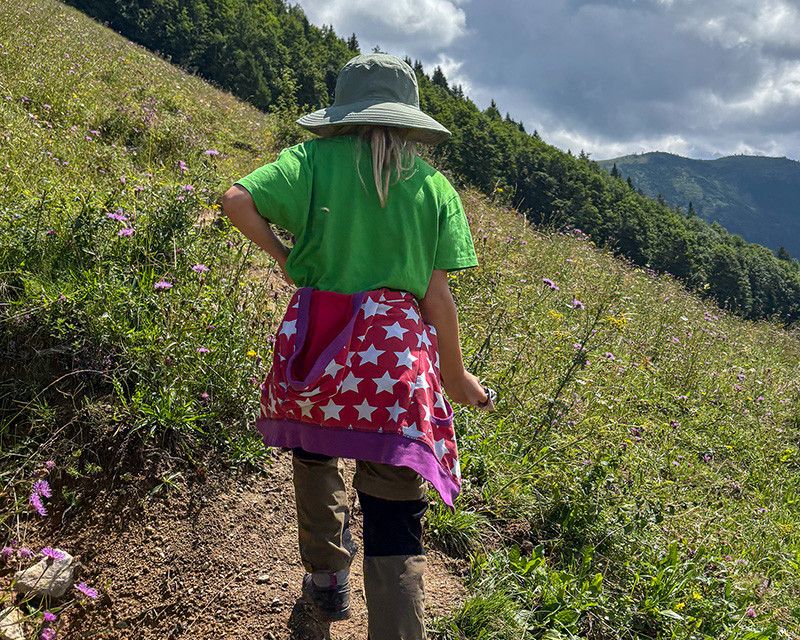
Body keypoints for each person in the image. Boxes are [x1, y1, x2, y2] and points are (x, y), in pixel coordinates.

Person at [222, 53, 491, 640]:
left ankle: (326, 578)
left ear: (343, 111)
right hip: (395, 360)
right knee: (396, 508)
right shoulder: (434, 187)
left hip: (319, 337)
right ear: (408, 120)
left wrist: (285, 257)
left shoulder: (312, 160)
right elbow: (437, 297)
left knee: (315, 450)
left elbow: (237, 201)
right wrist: (455, 375)